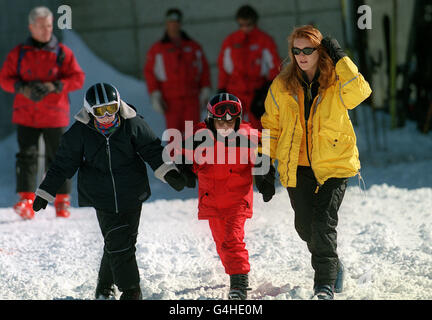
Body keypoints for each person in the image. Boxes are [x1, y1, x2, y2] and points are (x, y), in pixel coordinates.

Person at [31, 83, 188, 300]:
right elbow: (62, 164)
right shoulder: (79, 133)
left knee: (122, 241)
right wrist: (45, 192)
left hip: (132, 192)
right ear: (89, 111)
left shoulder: (132, 123)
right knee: (118, 240)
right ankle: (131, 289)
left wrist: (169, 173)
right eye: (100, 111)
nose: (106, 116)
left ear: (118, 105)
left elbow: (152, 149)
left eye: (111, 109)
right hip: (101, 195)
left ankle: (104, 285)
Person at [256, 25, 372, 299]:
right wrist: (264, 166)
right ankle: (331, 262)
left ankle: (325, 284)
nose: (302, 55)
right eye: (296, 50)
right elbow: (271, 126)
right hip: (297, 166)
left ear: (321, 51)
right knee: (305, 227)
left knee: (323, 223)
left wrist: (340, 57)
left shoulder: (337, 82)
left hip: (334, 164)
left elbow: (360, 93)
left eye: (308, 50)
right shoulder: (282, 85)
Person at [175, 93, 264, 300]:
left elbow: (265, 153)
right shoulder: (199, 138)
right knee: (222, 243)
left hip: (237, 200)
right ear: (210, 119)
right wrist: (184, 168)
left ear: (239, 119)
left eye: (230, 120)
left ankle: (239, 282)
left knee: (233, 239)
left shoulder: (248, 137)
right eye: (219, 120)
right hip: (212, 201)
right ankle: (234, 269)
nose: (225, 125)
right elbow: (181, 154)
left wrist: (265, 175)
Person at [0, 6, 85, 220]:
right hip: (26, 114)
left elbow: (78, 78)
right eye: (41, 26)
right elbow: (4, 79)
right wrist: (21, 88)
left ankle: (62, 199)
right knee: (26, 157)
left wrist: (55, 85)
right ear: (31, 27)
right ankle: (26, 199)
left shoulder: (63, 52)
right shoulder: (18, 53)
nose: (47, 30)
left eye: (49, 26)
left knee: (58, 158)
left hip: (55, 115)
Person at [144, 8, 211, 133]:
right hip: (170, 101)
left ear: (180, 23)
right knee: (174, 136)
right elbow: (150, 72)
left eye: (176, 22)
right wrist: (155, 94)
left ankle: (193, 153)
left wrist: (205, 89)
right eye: (171, 22)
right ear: (166, 23)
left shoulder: (193, 47)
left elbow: (204, 69)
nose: (174, 25)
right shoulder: (158, 49)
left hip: (192, 99)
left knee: (194, 136)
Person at [217, 5, 281, 129]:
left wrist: (266, 91)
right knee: (232, 131)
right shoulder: (230, 41)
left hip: (256, 92)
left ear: (255, 22)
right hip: (235, 92)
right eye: (241, 25)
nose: (245, 28)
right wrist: (221, 90)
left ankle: (259, 148)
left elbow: (275, 67)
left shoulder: (264, 40)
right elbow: (223, 68)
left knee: (259, 129)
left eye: (248, 24)